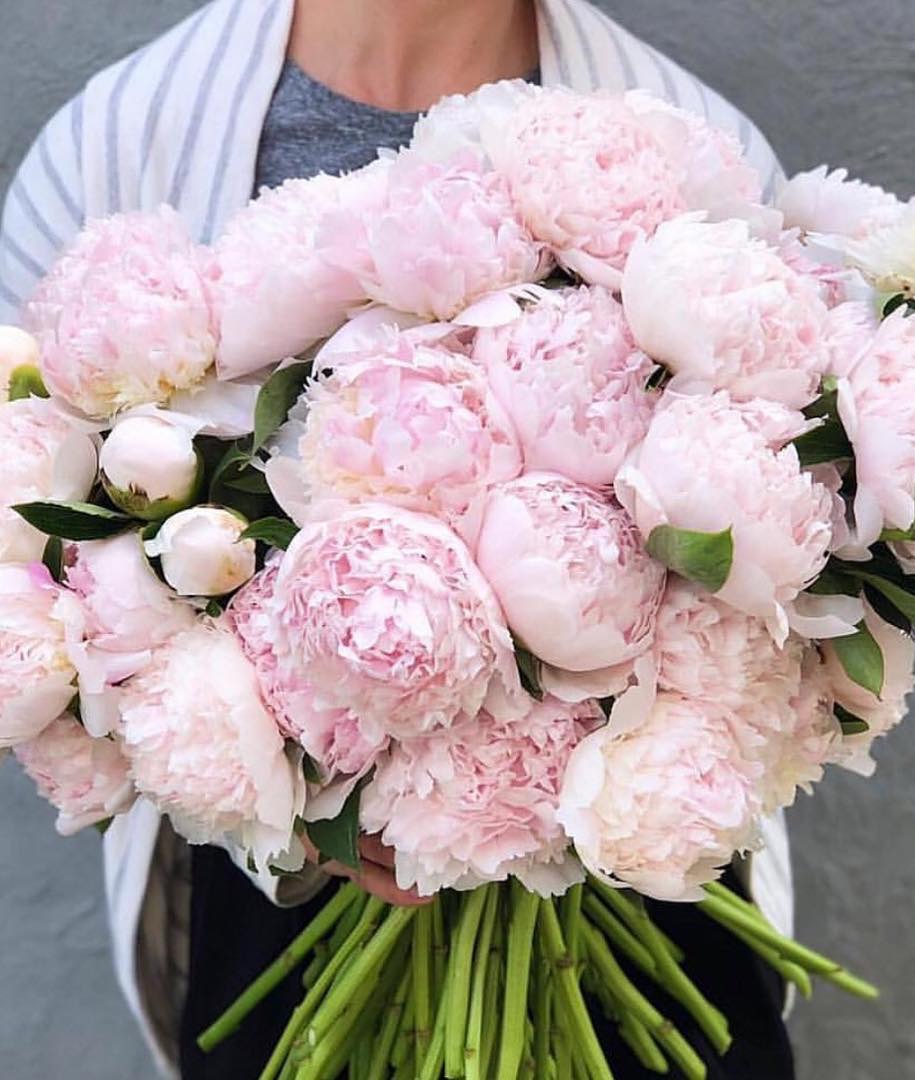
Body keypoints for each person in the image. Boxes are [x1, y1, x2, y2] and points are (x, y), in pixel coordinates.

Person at [0, 1, 795, 1077]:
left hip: (639, 897)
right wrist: (286, 806)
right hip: (275, 922)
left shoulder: (696, 148)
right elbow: (35, 557)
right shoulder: (110, 146)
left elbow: (778, 558)